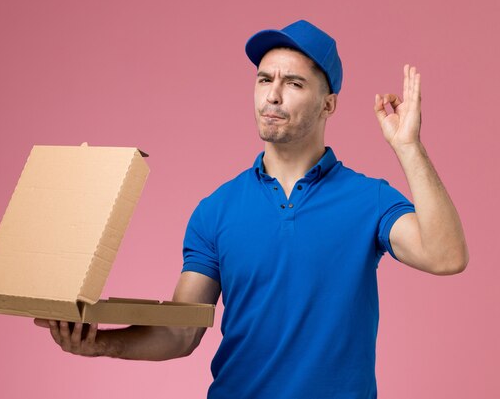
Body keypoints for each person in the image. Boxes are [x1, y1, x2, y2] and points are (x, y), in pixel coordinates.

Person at [35, 20, 468, 398]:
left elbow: (445, 255)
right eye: (264, 80)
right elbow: (181, 331)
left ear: (328, 104)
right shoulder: (215, 210)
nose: (273, 96)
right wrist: (99, 343)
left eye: (294, 84)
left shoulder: (369, 199)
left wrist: (409, 148)